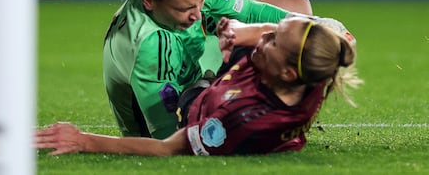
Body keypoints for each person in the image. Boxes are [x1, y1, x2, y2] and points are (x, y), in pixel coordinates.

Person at [37, 13, 360, 156]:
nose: (266, 36)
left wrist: (83, 141)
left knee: (179, 66)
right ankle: (229, 36)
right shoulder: (321, 62)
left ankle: (210, 58)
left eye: (273, 41)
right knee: (299, 6)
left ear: (288, 74)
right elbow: (279, 32)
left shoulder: (236, 118)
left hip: (196, 100)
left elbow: (167, 148)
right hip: (246, 74)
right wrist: (241, 30)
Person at [102, 0, 312, 139]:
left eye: (201, 2)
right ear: (148, 1)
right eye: (185, 8)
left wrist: (323, 28)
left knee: (297, 8)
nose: (197, 14)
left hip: (200, 71)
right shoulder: (150, 44)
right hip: (173, 112)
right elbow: (166, 137)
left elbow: (251, 12)